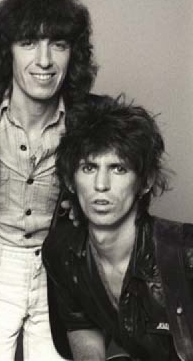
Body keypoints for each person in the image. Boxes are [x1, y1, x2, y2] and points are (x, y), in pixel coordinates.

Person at [0, 0, 98, 360]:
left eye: (58, 44)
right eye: (29, 42)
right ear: (7, 51)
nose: (44, 60)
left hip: (57, 272)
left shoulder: (91, 121)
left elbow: (137, 166)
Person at [42, 95, 193, 360]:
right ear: (70, 179)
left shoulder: (184, 252)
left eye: (118, 169)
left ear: (145, 181)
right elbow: (82, 324)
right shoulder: (63, 252)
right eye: (89, 167)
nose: (101, 184)